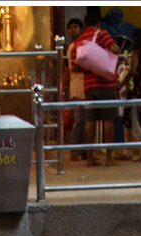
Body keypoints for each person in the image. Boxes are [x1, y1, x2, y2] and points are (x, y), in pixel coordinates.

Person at [71, 8, 120, 167]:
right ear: (98, 23)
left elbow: (75, 67)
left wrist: (90, 65)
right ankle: (109, 158)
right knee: (108, 119)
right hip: (106, 84)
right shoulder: (102, 34)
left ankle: (90, 158)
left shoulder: (79, 41)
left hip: (89, 86)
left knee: (90, 120)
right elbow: (115, 49)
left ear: (84, 24)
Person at [118, 28, 141, 162]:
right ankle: (127, 152)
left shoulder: (136, 54)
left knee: (134, 123)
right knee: (131, 122)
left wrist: (123, 83)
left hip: (135, 92)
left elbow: (132, 71)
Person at [62, 17, 86, 161]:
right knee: (79, 120)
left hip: (83, 86)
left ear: (81, 29)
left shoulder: (82, 45)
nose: (72, 30)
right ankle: (75, 151)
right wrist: (63, 88)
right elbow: (66, 69)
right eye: (70, 27)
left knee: (83, 120)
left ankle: (82, 150)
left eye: (75, 27)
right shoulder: (71, 47)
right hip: (76, 87)